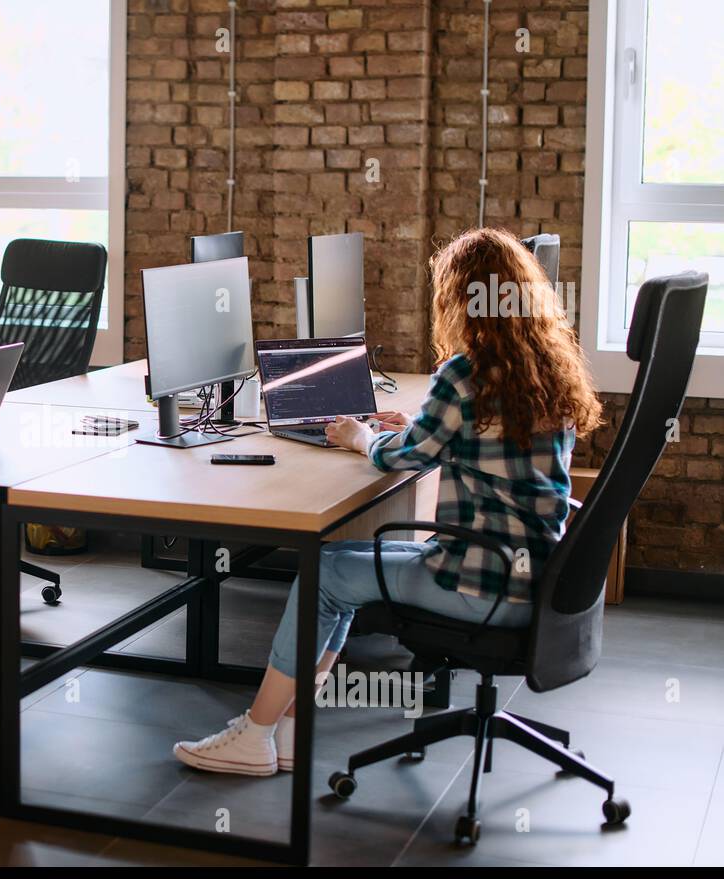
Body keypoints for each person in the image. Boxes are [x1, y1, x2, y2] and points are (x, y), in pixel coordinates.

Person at [173, 226, 603, 775]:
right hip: (537, 574)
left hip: (479, 582)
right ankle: (287, 732)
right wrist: (420, 426)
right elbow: (470, 441)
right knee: (330, 565)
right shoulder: (546, 372)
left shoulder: (466, 375)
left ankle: (255, 732)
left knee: (323, 578)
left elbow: (404, 459)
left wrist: (361, 437)